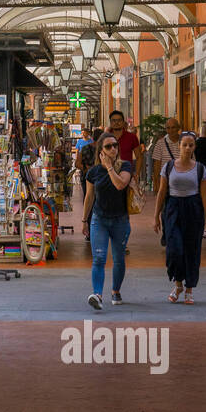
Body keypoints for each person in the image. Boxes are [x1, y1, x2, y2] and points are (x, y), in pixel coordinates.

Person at [153, 130, 206, 304]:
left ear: (194, 147)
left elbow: (205, 194)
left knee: (192, 250)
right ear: (178, 146)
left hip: (193, 209)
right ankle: (178, 283)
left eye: (191, 145)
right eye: (184, 145)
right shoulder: (169, 166)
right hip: (173, 208)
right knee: (174, 249)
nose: (187, 148)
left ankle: (188, 289)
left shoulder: (200, 168)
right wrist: (156, 216)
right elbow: (162, 192)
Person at [82, 130, 134, 310]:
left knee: (119, 259)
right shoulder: (93, 172)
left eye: (115, 146)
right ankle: (97, 294)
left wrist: (110, 167)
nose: (113, 149)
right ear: (101, 151)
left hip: (120, 220)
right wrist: (83, 221)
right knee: (99, 258)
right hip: (99, 219)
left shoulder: (125, 166)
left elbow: (120, 185)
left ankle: (115, 290)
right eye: (108, 146)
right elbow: (89, 197)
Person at [150, 117, 183, 186]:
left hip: (183, 182)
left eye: (173, 127)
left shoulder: (185, 143)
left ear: (178, 128)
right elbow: (157, 166)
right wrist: (156, 184)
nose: (171, 130)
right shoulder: (160, 144)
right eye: (168, 128)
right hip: (166, 183)